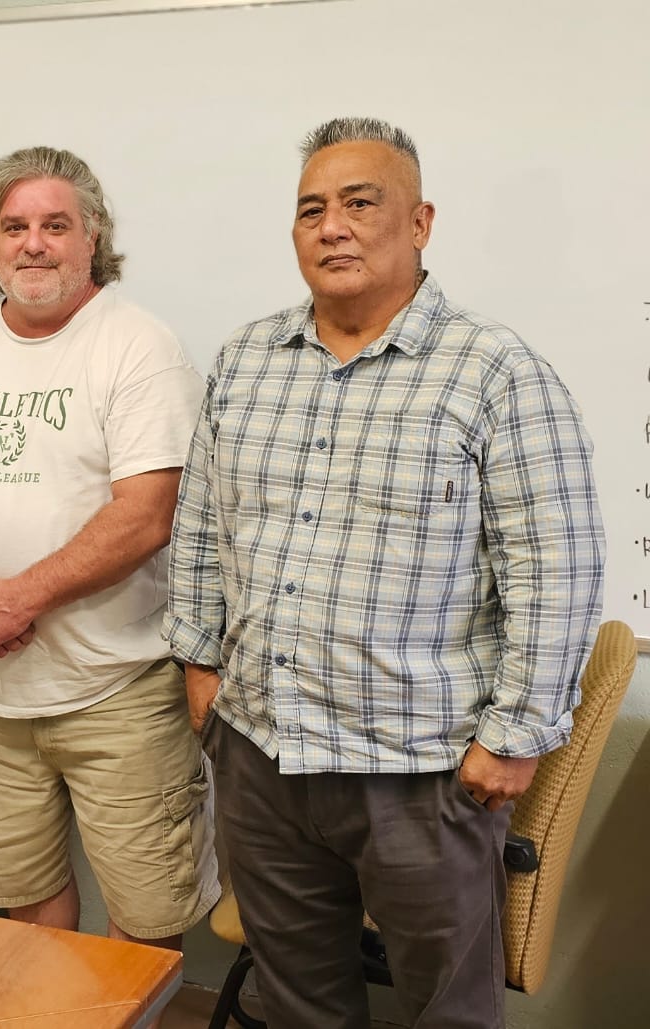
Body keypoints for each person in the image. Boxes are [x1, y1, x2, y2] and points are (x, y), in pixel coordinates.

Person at [165, 116, 605, 1028]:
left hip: (421, 773)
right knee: (296, 1006)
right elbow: (202, 526)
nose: (333, 227)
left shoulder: (495, 372)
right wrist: (199, 666)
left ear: (419, 223)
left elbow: (555, 568)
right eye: (311, 209)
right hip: (262, 754)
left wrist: (517, 733)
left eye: (361, 203)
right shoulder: (248, 360)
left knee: (444, 1011)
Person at [0, 146, 216, 946]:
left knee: (148, 922)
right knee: (24, 910)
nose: (33, 243)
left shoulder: (138, 346)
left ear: (91, 235)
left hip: (117, 690)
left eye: (55, 225)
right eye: (15, 226)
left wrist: (17, 598)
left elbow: (148, 511)